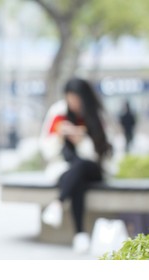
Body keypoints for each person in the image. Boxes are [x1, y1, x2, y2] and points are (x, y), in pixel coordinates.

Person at [39, 77, 112, 253]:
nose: (73, 103)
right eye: (70, 98)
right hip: (66, 168)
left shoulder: (96, 116)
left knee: (81, 167)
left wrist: (81, 141)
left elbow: (101, 154)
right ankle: (80, 235)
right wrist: (60, 135)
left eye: (76, 98)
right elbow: (46, 148)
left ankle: (58, 203)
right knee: (77, 179)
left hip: (93, 168)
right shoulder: (59, 113)